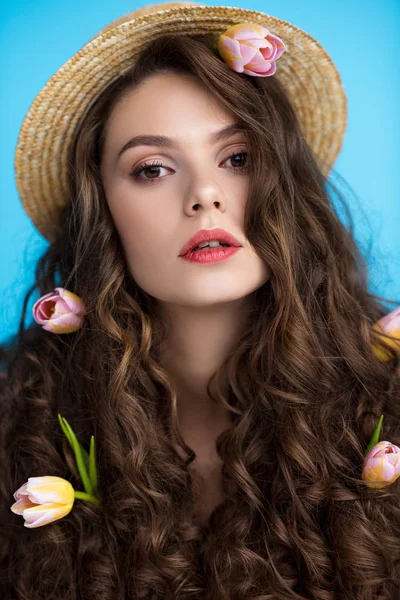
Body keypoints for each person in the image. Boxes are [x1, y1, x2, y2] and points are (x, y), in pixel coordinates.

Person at [1, 2, 399, 598]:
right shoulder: (20, 419)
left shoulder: (385, 401)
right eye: (154, 169)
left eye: (237, 159)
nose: (205, 195)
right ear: (102, 212)